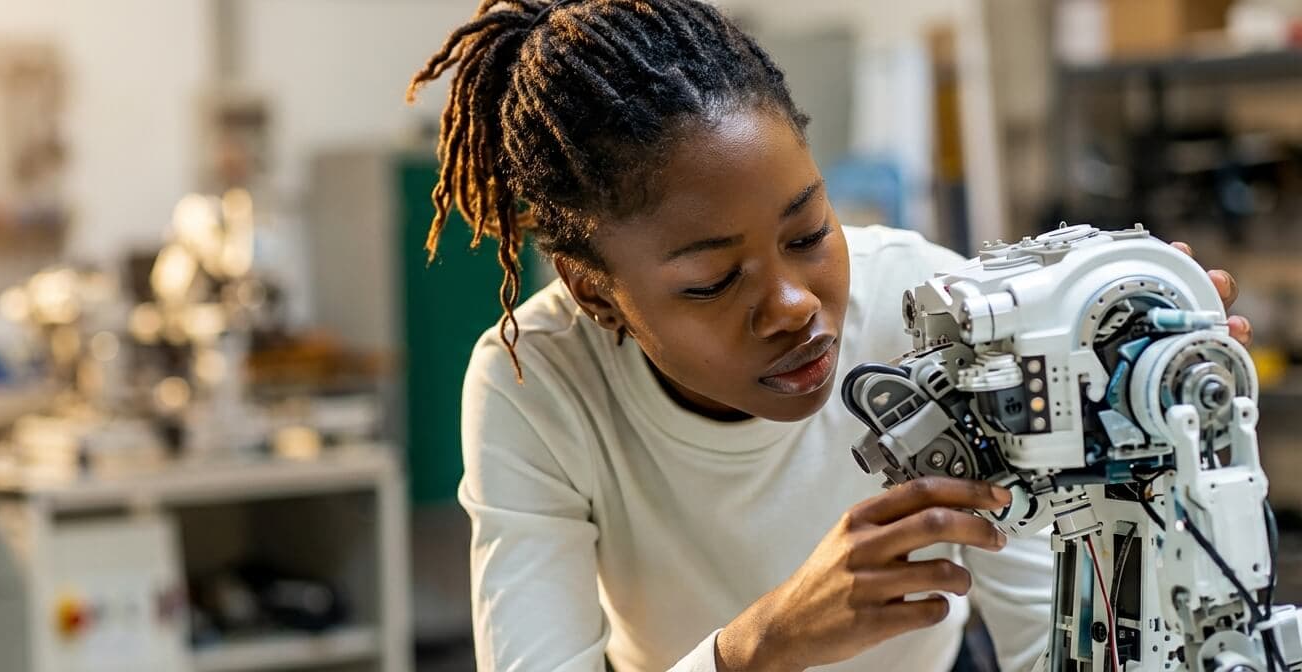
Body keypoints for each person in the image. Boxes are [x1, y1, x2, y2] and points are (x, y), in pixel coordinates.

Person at [404, 1, 1250, 670]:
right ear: (597, 293)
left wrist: (1149, 435)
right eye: (710, 281)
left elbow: (1042, 631)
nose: (794, 305)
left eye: (809, 233)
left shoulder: (927, 304)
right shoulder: (536, 383)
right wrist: (764, 647)